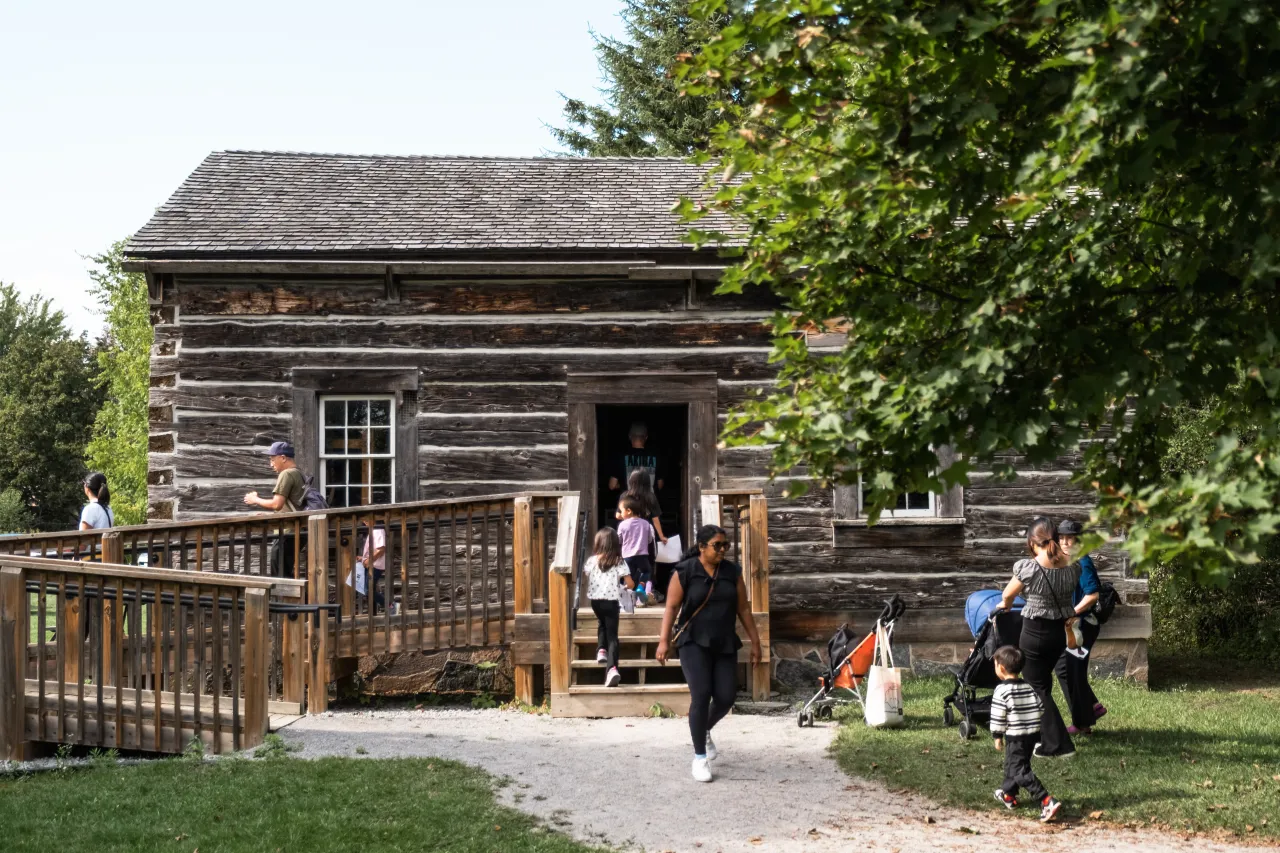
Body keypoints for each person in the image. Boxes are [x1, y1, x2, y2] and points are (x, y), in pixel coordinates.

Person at [656, 525, 764, 783]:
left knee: (726, 697)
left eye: (725, 545)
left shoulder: (732, 573)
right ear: (702, 547)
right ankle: (700, 758)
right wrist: (663, 641)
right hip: (693, 641)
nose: (723, 550)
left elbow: (744, 610)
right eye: (717, 545)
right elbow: (671, 608)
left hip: (724, 641)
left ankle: (702, 728)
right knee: (701, 694)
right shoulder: (685, 571)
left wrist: (757, 643)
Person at [997, 516, 1081, 759]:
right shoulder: (1072, 566)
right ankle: (1041, 736)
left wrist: (1006, 603)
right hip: (1059, 634)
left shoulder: (1030, 567)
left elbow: (1007, 594)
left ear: (1034, 542)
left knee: (1036, 689)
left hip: (1034, 634)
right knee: (1043, 684)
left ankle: (1058, 745)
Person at [990, 645, 1064, 823]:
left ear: (1000, 668)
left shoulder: (1001, 690)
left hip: (1016, 736)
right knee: (1013, 764)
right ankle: (1008, 794)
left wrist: (997, 736)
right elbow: (1039, 707)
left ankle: (1046, 800)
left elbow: (998, 715)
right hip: (1032, 735)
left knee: (1019, 770)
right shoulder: (1028, 686)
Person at [1055, 519, 1105, 734]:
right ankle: (1091, 707)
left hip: (1082, 627)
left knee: (1070, 670)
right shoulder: (1068, 559)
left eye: (1070, 538)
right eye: (1062, 538)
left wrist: (1072, 613)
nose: (1065, 542)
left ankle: (1083, 723)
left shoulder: (1082, 561)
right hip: (1073, 625)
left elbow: (1092, 595)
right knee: (1064, 668)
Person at [243, 441, 307, 577]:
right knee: (284, 570)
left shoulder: (287, 474)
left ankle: (283, 598)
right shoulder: (299, 473)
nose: (271, 464)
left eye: (272, 460)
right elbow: (287, 507)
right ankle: (286, 598)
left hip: (288, 532)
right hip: (297, 531)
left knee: (279, 572)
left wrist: (255, 500)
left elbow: (277, 504)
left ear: (283, 458)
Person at [584, 527, 635, 688]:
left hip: (595, 602)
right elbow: (630, 583)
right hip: (611, 602)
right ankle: (612, 669)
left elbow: (586, 574)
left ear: (598, 543)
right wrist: (625, 587)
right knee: (612, 636)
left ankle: (601, 650)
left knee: (601, 623)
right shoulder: (619, 561)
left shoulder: (592, 561)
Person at [622, 469, 668, 599]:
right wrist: (661, 536)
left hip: (629, 536)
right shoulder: (650, 497)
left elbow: (619, 515)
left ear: (631, 481)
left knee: (628, 563)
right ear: (647, 482)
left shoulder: (625, 496)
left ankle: (629, 591)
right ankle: (647, 590)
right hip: (646, 535)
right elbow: (655, 519)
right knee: (649, 563)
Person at [616, 495, 655, 606]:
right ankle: (640, 587)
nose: (620, 513)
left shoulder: (622, 525)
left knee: (628, 577)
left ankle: (626, 601)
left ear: (628, 511)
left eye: (621, 510)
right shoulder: (646, 523)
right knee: (647, 571)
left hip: (627, 556)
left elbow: (619, 540)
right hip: (642, 555)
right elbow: (649, 540)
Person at [608, 422, 665, 494]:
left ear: (629, 436)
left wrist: (623, 486)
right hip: (648, 503)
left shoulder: (621, 457)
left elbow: (612, 485)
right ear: (646, 437)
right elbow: (660, 485)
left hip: (628, 503)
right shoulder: (655, 457)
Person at [361, 519, 389, 614]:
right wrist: (363, 558)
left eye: (367, 520)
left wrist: (368, 560)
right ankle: (373, 615)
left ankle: (391, 606)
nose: (365, 522)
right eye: (364, 521)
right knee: (370, 590)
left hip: (375, 565)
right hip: (372, 564)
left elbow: (381, 549)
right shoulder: (374, 530)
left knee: (369, 590)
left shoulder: (377, 530)